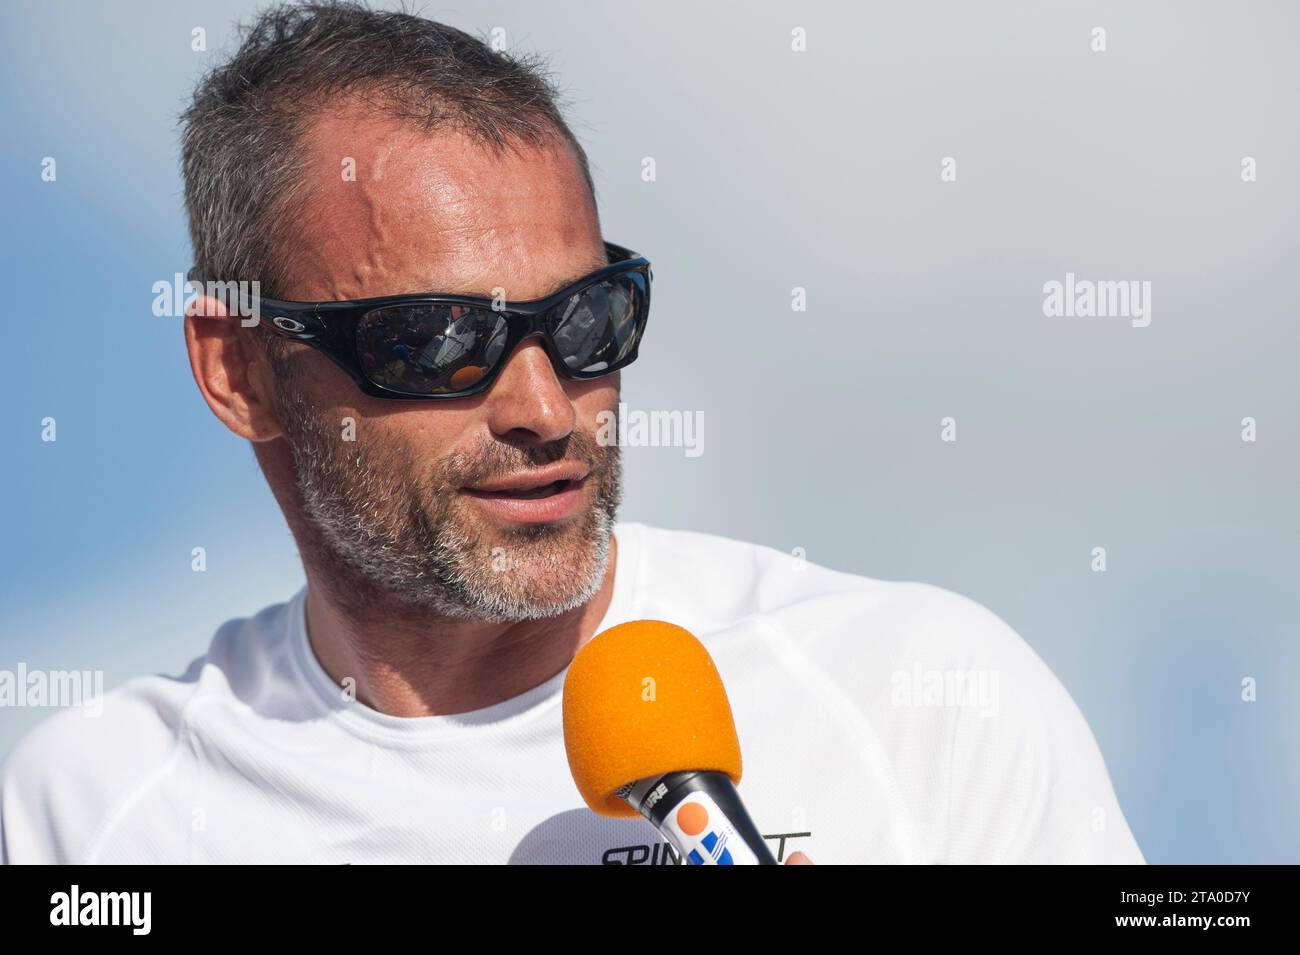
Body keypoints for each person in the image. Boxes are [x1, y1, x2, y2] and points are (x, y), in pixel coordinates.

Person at [0, 1, 1143, 865]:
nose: (546, 409)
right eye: (440, 338)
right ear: (239, 368)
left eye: (588, 321)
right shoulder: (88, 811)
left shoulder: (922, 697)